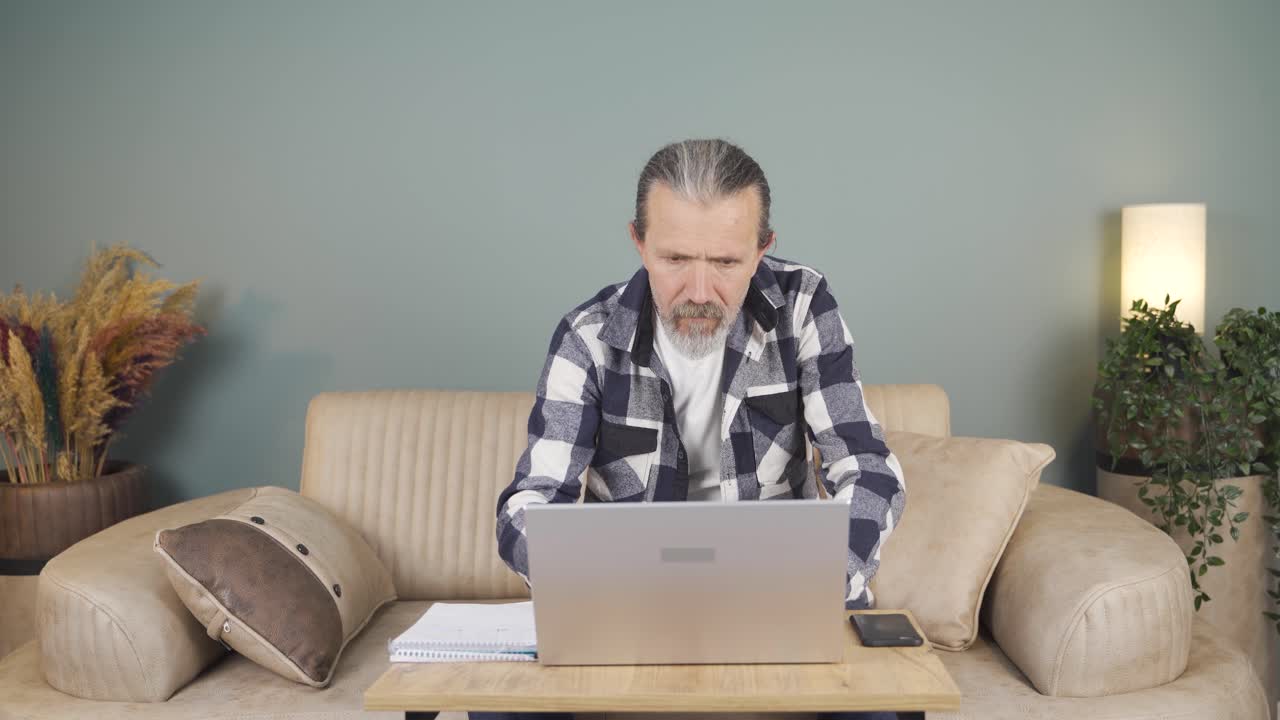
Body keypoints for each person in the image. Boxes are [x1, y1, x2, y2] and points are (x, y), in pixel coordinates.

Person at [486, 138, 907, 720]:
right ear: (639, 242)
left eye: (727, 263)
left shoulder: (805, 306)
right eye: (676, 259)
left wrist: (819, 583)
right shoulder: (586, 337)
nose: (700, 294)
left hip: (783, 612)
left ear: (763, 250)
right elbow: (527, 505)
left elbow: (869, 470)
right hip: (625, 619)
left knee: (885, 713)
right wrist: (590, 587)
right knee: (494, 711)